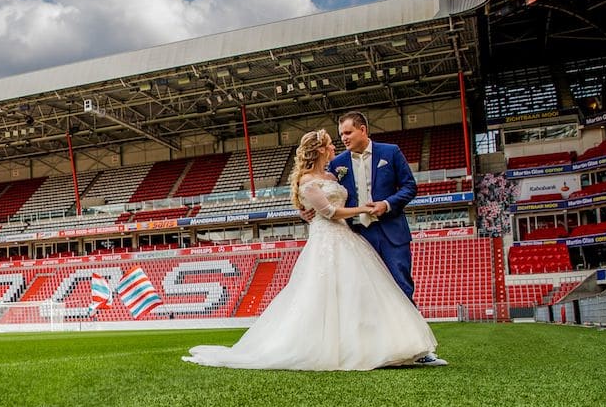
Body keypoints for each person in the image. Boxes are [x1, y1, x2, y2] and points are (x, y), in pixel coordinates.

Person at [183, 129, 438, 371]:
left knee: (362, 293)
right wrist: (357, 209)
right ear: (320, 150)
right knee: (323, 295)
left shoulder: (334, 174)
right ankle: (337, 348)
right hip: (327, 240)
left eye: (346, 134)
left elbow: (351, 197)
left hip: (352, 237)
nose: (337, 145)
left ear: (362, 129)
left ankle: (388, 346)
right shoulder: (312, 178)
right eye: (331, 142)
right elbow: (327, 211)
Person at [327, 110, 447, 366]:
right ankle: (375, 351)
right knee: (365, 295)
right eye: (341, 135)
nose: (344, 138)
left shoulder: (390, 152)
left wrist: (387, 204)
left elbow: (409, 187)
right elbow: (325, 194)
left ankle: (420, 351)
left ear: (363, 130)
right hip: (358, 237)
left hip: (392, 233)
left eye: (348, 133)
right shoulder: (337, 163)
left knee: (402, 288)